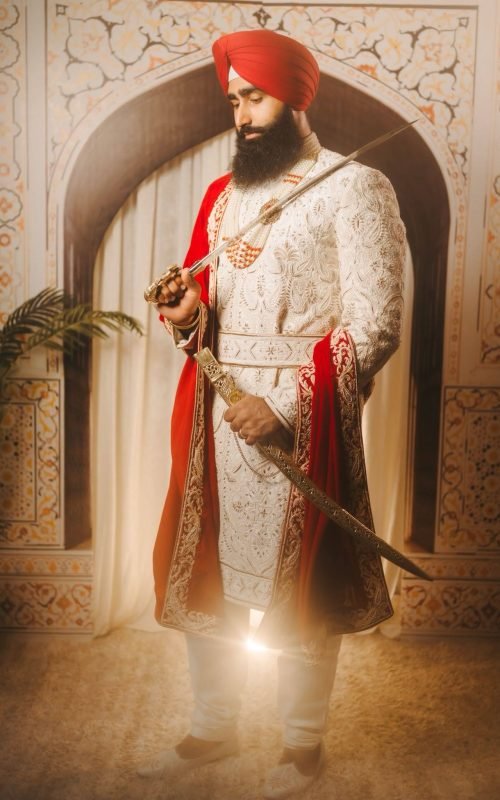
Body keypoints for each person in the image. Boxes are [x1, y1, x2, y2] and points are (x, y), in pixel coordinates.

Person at [139, 29, 406, 799]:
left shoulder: (355, 187)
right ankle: (212, 724)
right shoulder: (223, 200)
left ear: (296, 96)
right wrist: (189, 313)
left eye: (254, 97)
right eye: (234, 100)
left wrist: (286, 405)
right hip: (218, 422)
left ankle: (301, 744)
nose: (242, 116)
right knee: (211, 574)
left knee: (304, 585)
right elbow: (201, 317)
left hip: (302, 420)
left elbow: (376, 321)